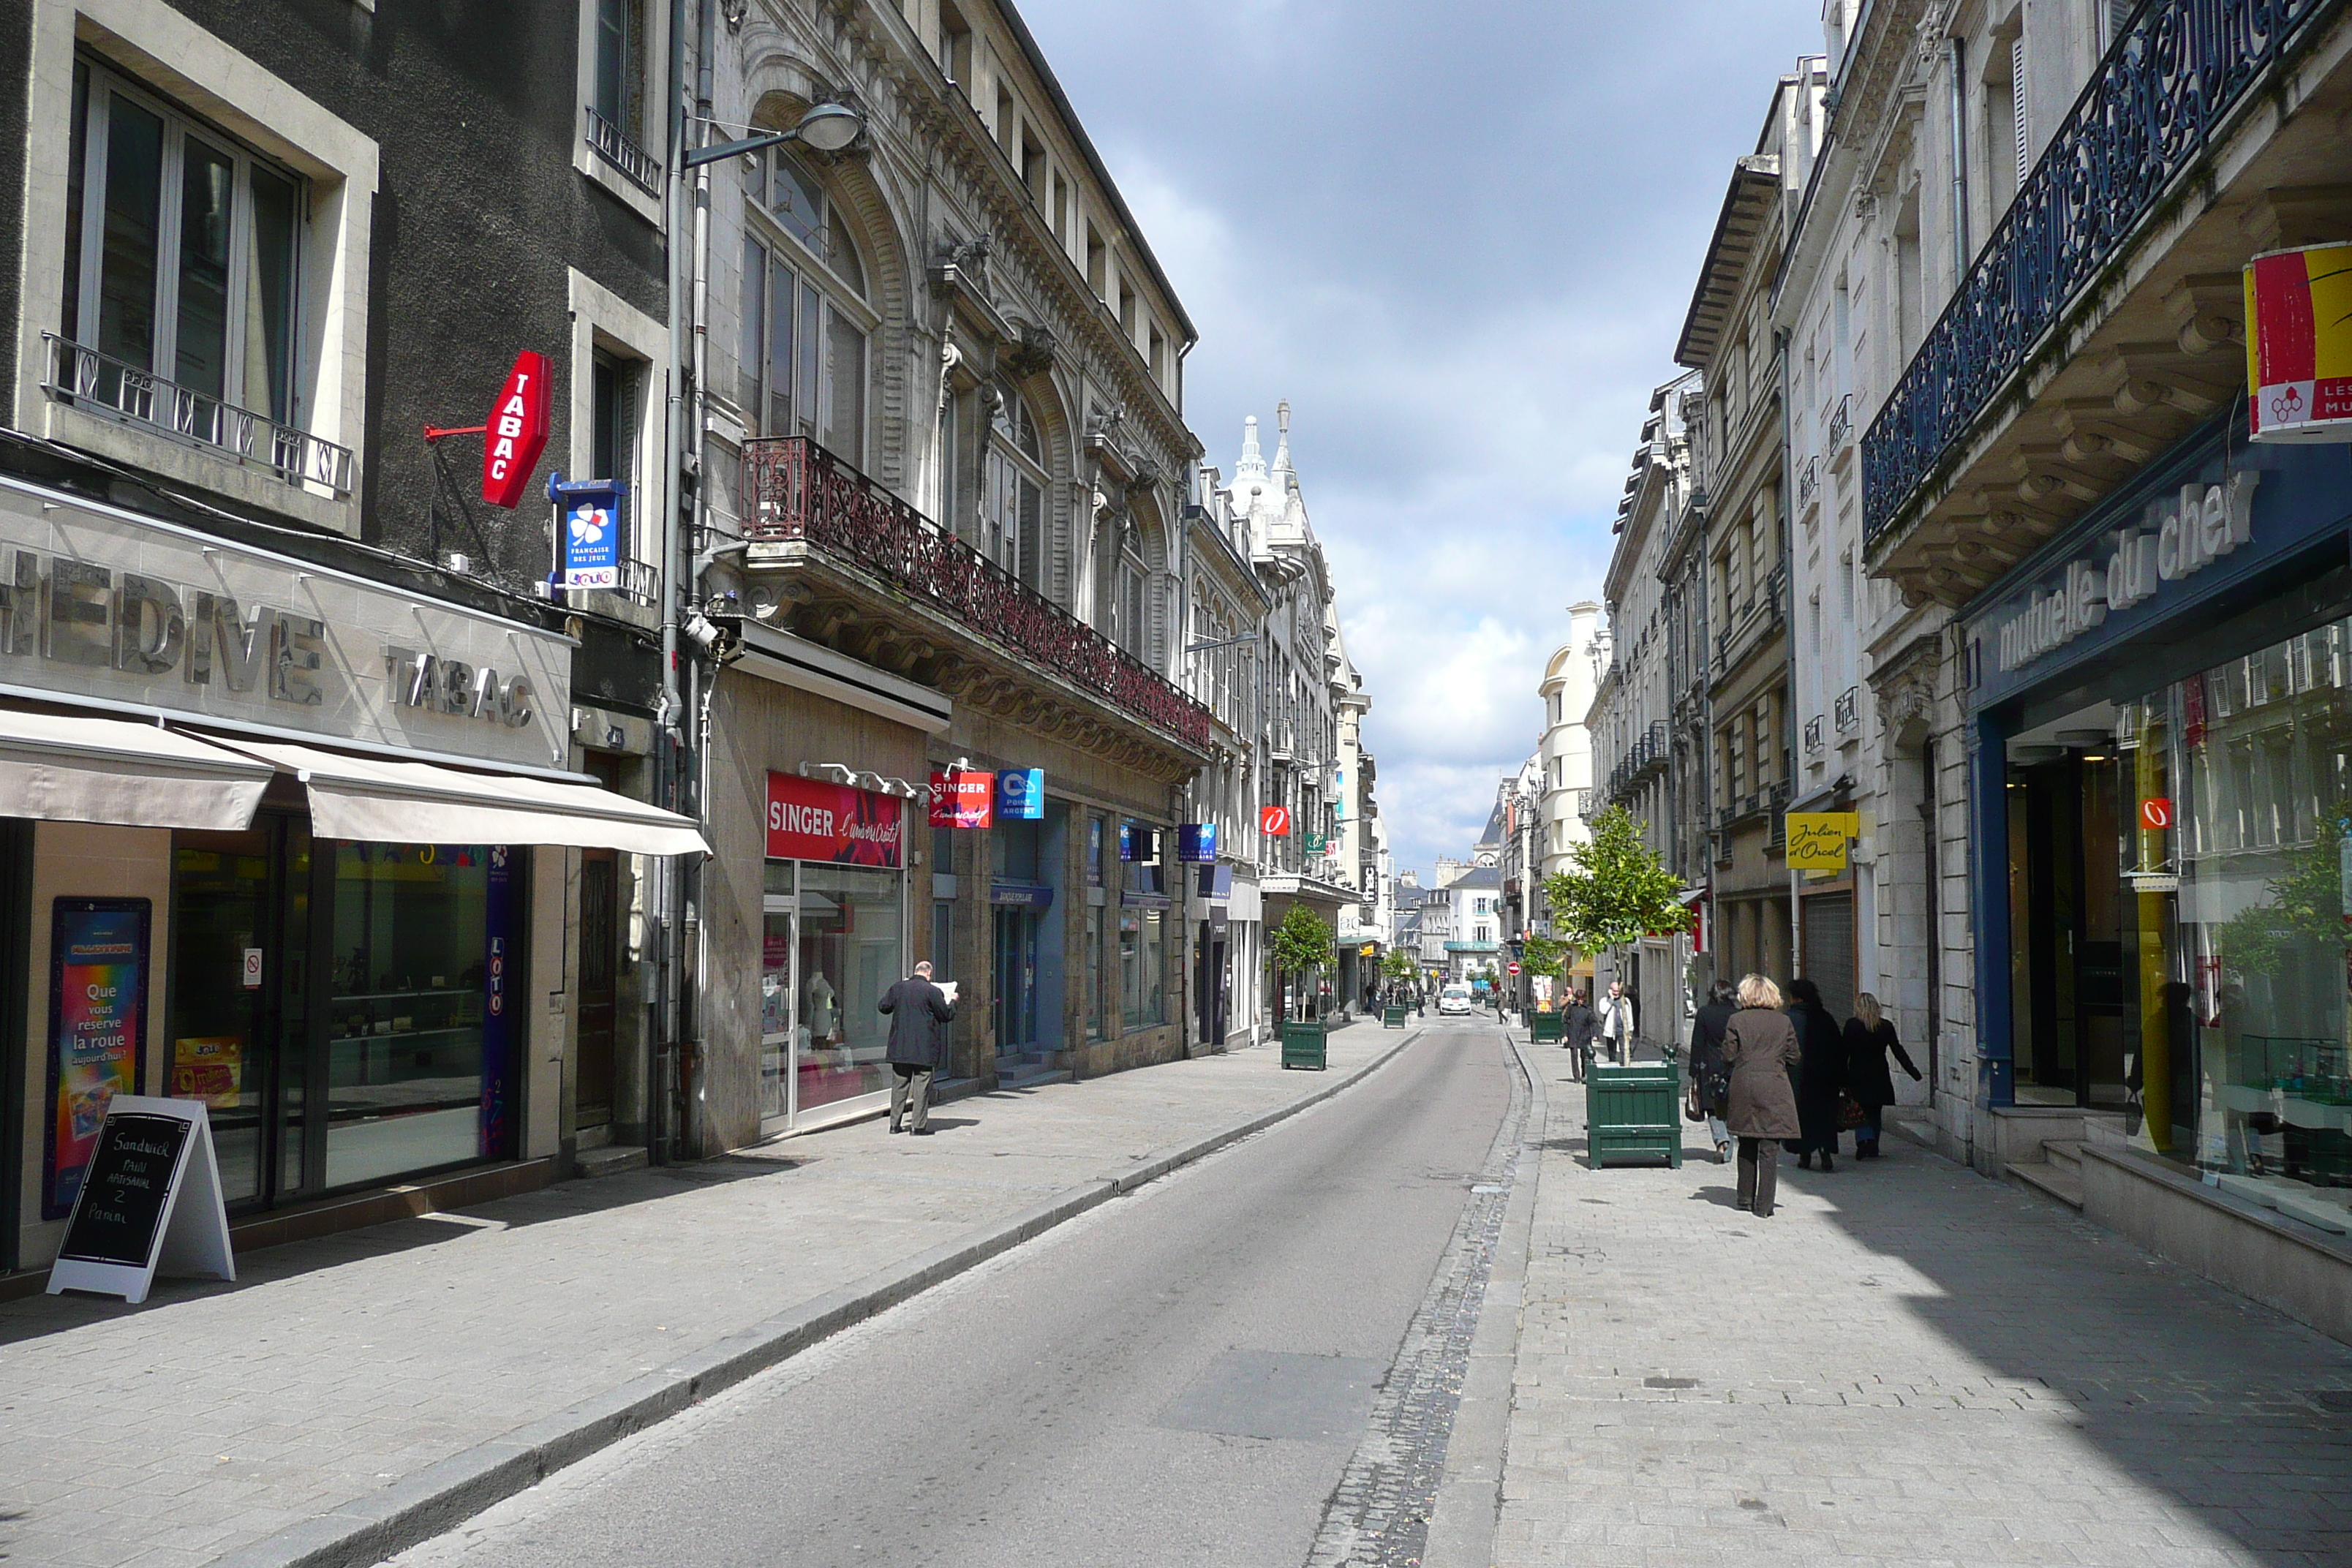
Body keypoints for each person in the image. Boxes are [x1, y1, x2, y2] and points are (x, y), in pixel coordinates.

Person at [1720, 973, 1801, 1216]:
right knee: (1769, 1147)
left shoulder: (1736, 1020)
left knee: (1746, 1141)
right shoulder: (1783, 1022)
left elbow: (1728, 1056)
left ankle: (1745, 1197)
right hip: (1774, 1086)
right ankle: (1765, 1205)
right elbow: (1794, 1056)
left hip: (1744, 1084)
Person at [878, 960, 956, 1135]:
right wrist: (953, 1002)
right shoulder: (933, 991)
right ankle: (918, 1127)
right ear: (929, 974)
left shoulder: (898, 988)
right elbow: (945, 1015)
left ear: (916, 972)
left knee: (899, 1086)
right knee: (921, 1088)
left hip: (900, 1048)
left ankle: (894, 1125)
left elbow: (883, 1006)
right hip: (924, 1050)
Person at [1842, 992, 1921, 1158]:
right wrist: (1913, 1071)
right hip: (1879, 1073)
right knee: (1875, 1111)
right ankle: (1873, 1145)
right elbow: (1897, 1050)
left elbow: (1844, 1052)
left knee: (1860, 1110)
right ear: (1876, 1007)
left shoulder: (1852, 1026)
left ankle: (1864, 1140)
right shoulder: (1885, 1026)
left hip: (1857, 1073)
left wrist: (1839, 1074)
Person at [1783, 977, 1846, 1172]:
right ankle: (1825, 1152)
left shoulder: (1789, 1020)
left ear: (1795, 998)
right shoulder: (1826, 1018)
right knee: (1824, 1117)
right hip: (1825, 1080)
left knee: (1802, 1117)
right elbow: (1839, 1049)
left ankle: (1805, 1155)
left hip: (1797, 1079)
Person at [1687, 979, 1737, 1162]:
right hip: (1732, 1065)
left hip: (1709, 1066)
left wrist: (1693, 1069)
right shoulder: (1737, 1014)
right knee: (1731, 1107)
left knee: (1713, 1107)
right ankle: (1728, 1146)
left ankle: (1721, 1140)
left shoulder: (1704, 1013)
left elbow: (1697, 1042)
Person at [1595, 979, 1635, 1066]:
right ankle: (1613, 1067)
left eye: (1618, 991)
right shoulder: (1605, 1000)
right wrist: (1611, 999)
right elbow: (1603, 1011)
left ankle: (1625, 1067)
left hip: (1622, 1030)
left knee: (1624, 1051)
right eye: (1614, 991)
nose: (1616, 993)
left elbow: (1629, 1016)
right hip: (1610, 1031)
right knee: (1612, 1053)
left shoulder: (1626, 1001)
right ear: (1610, 991)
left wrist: (1630, 1031)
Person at [1563, 987, 1597, 1082]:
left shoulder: (1588, 1009)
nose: (1580, 1001)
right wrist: (1565, 1034)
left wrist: (1594, 1034)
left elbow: (1593, 1022)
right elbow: (1565, 1021)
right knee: (1574, 1056)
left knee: (1584, 1056)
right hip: (1573, 1033)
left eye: (1582, 999)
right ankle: (1576, 1076)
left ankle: (1584, 1074)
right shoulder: (1571, 1007)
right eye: (1578, 999)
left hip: (1584, 1034)